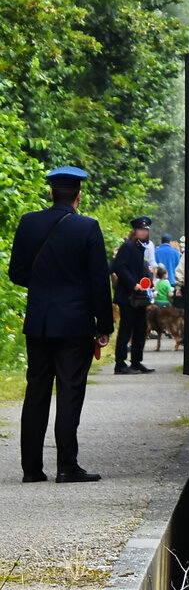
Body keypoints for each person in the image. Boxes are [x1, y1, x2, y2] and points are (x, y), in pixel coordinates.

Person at [8, 166, 114, 484]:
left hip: (39, 322)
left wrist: (41, 286)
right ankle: (67, 466)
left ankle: (31, 469)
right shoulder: (88, 228)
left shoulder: (28, 223)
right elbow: (99, 282)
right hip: (75, 324)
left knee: (36, 392)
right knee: (69, 392)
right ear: (78, 196)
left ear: (51, 193)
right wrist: (104, 325)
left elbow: (16, 273)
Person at [111, 217, 156, 375]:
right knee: (126, 328)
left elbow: (141, 268)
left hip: (138, 297)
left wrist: (149, 281)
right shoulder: (128, 246)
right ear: (135, 231)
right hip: (127, 296)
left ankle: (136, 362)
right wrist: (133, 284)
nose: (144, 232)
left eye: (146, 230)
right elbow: (119, 267)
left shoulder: (139, 248)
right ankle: (120, 363)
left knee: (140, 328)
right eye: (141, 229)